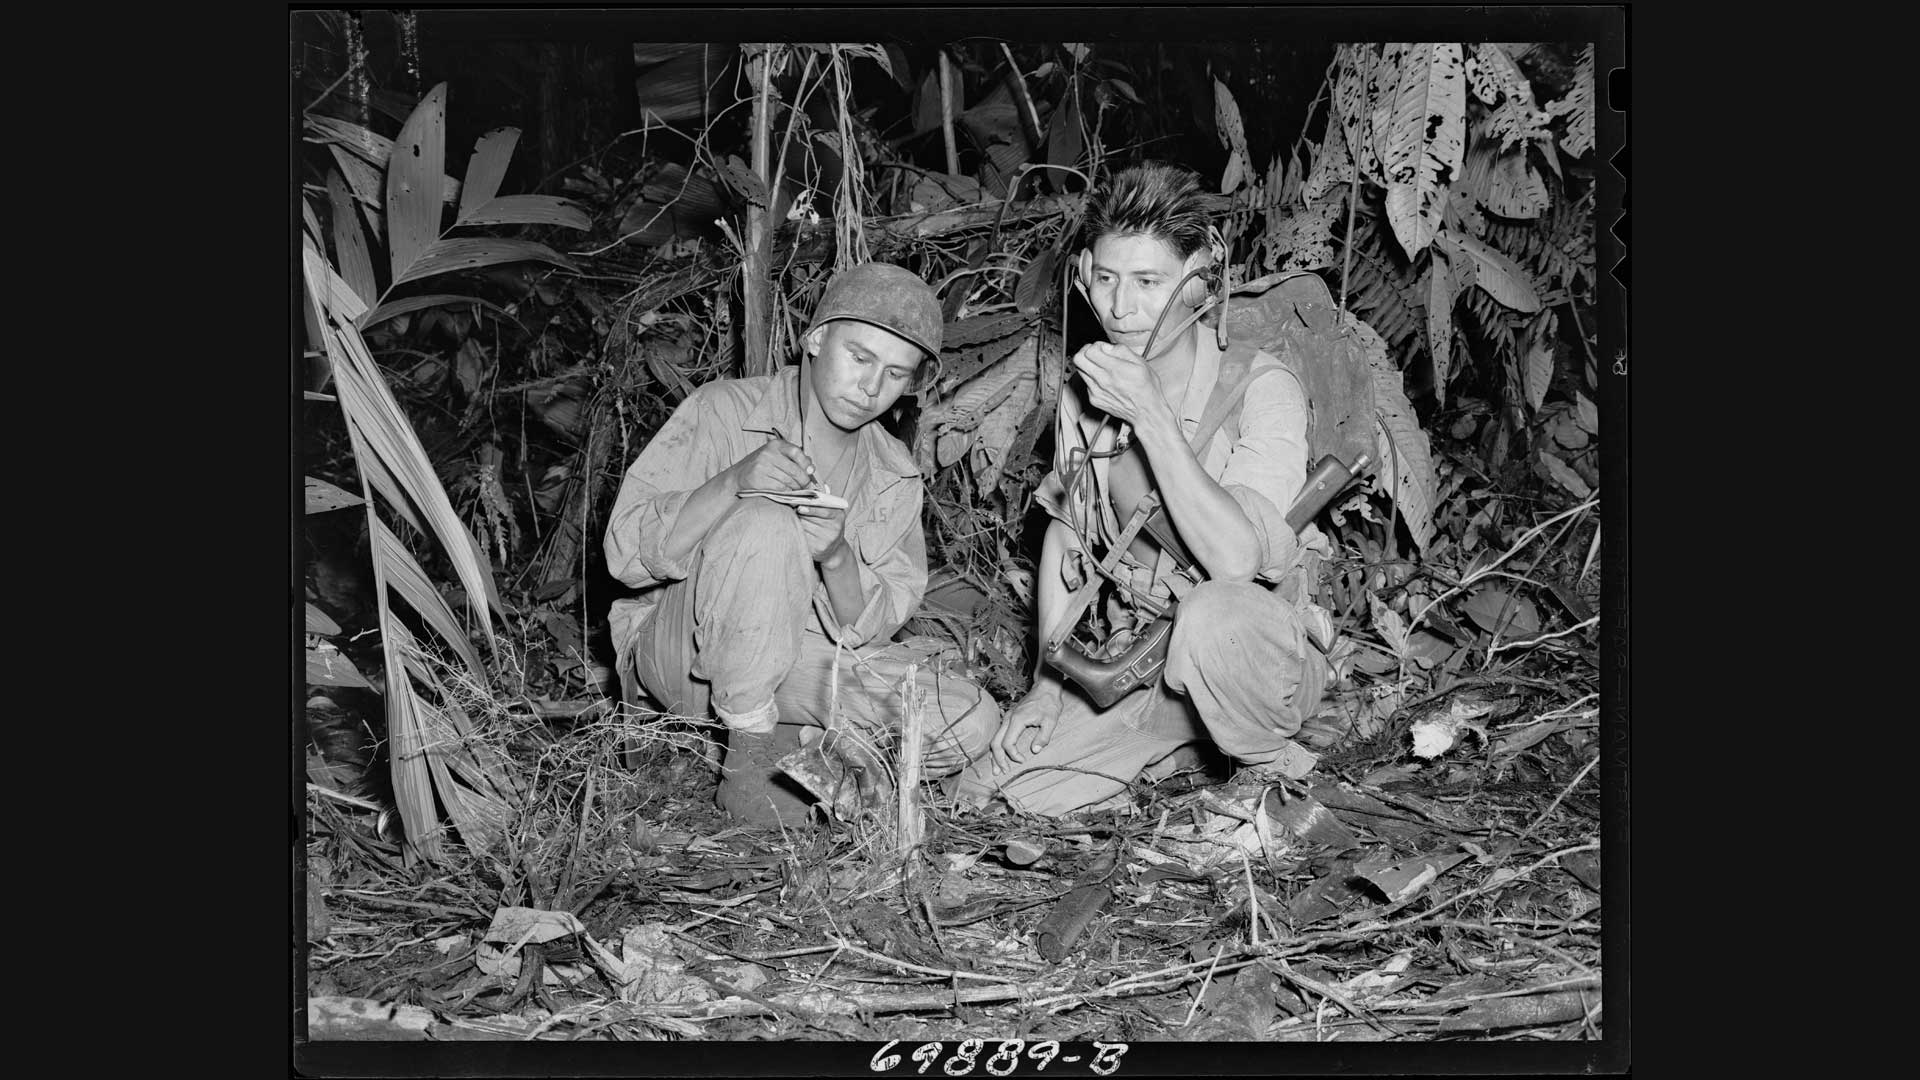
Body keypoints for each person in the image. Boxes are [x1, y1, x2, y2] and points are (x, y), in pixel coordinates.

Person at [954, 162, 1336, 816]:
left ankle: (1273, 774)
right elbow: (1069, 535)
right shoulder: (1087, 394)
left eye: (1148, 282)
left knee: (1214, 615)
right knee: (1013, 794)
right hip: (1146, 654)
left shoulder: (1259, 389)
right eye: (1104, 279)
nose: (1119, 306)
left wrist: (1152, 418)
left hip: (1254, 656)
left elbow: (1238, 560)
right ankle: (1187, 748)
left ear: (1198, 284)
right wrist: (1048, 687)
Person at [604, 261, 1001, 826]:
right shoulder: (723, 411)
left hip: (796, 663)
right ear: (816, 338)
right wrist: (732, 483)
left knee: (966, 719)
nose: (870, 388)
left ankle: (806, 748)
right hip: (685, 655)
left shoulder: (892, 472)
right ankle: (748, 765)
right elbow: (624, 557)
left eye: (894, 373)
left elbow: (874, 628)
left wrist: (836, 556)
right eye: (859, 358)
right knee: (766, 522)